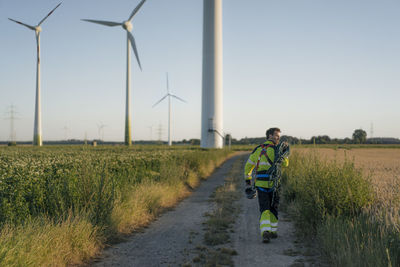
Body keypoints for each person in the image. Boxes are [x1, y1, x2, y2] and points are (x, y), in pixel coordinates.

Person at [244, 127, 289, 243]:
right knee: (274, 208)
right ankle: (272, 232)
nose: (278, 138)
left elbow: (248, 166)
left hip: (260, 184)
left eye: (279, 136)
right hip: (275, 184)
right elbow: (285, 164)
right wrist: (285, 153)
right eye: (276, 135)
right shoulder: (277, 149)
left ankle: (266, 231)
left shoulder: (257, 149)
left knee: (264, 208)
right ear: (269, 135)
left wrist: (248, 180)